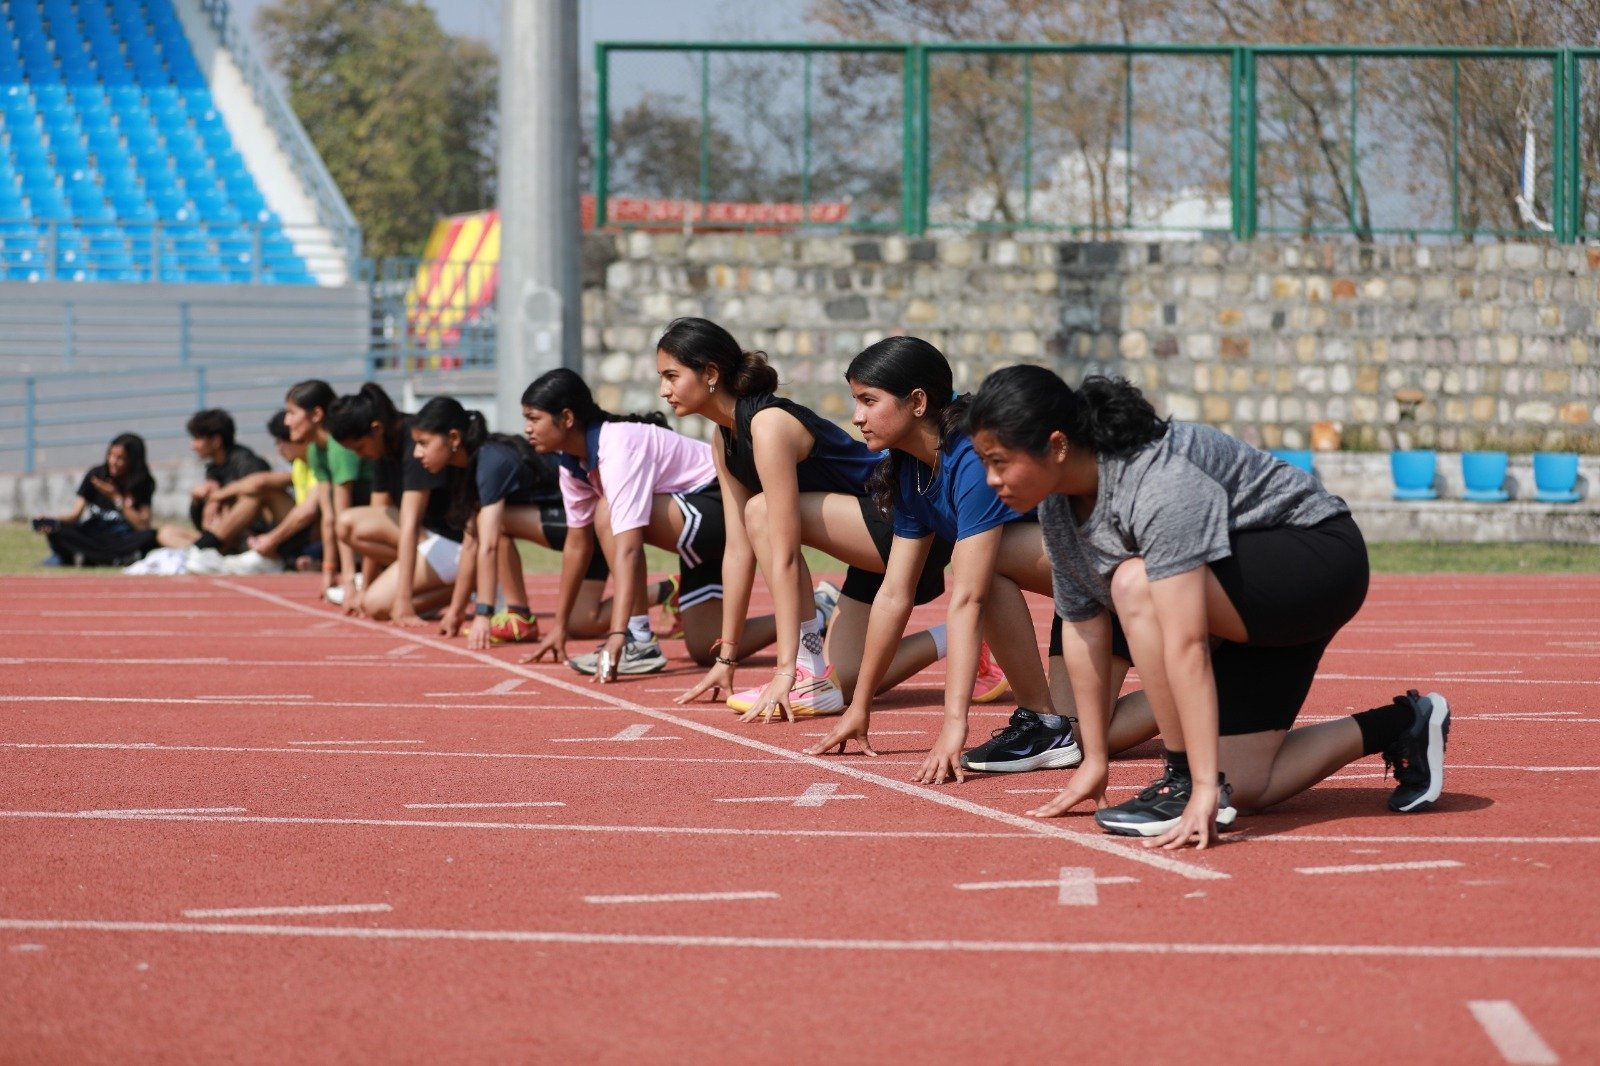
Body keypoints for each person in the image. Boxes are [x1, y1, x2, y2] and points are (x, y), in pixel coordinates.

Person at [964, 365, 1451, 848]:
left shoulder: (1156, 480)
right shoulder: (1056, 506)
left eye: (1000, 461)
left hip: (1316, 559)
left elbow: (1187, 641)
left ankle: (1180, 781)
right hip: (1235, 589)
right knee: (1249, 786)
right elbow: (1083, 627)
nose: (990, 479)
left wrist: (1196, 786)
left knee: (1136, 584)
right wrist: (1095, 760)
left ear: (1057, 445)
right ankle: (1404, 723)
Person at [655, 316, 1007, 720]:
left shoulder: (768, 425)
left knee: (762, 511)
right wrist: (728, 658)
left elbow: (784, 550)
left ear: (711, 373)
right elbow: (737, 550)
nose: (664, 390)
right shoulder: (724, 439)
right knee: (845, 686)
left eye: (671, 375)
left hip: (895, 523)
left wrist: (791, 667)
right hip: (863, 539)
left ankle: (808, 665)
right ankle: (960, 642)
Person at [804, 338, 1072, 785]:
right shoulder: (909, 467)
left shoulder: (971, 455)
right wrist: (860, 704)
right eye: (856, 401)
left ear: (918, 402)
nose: (856, 417)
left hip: (1115, 578)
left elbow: (969, 598)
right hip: (1077, 603)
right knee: (1082, 730)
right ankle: (1045, 723)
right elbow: (893, 594)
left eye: (869, 401)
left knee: (990, 563)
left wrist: (954, 726)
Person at [518, 368, 778, 681]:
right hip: (694, 523)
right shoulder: (571, 463)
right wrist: (559, 626)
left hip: (722, 504)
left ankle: (638, 639)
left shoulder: (617, 447)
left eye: (534, 418)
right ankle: (818, 612)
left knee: (606, 511)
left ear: (567, 418)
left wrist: (619, 632)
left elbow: (628, 549)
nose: (527, 429)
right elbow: (577, 544)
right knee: (705, 647)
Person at [408, 396, 618, 648]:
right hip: (580, 535)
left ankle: (518, 614)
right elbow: (470, 544)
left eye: (423, 443)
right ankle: (671, 589)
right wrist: (455, 610)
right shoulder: (462, 468)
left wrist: (483, 613)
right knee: (582, 624)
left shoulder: (491, 460)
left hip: (592, 527)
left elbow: (487, 544)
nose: (416, 453)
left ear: (453, 438)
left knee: (496, 525)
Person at [326, 384, 464, 624]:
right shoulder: (381, 449)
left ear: (376, 429)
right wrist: (364, 587)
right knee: (347, 525)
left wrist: (404, 600)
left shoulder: (415, 442)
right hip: (425, 539)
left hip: (452, 541)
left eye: (359, 447)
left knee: (377, 606)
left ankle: (468, 582)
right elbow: (376, 516)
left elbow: (410, 525)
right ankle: (442, 586)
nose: (359, 455)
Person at [278, 380, 372, 606]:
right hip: (358, 525)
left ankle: (365, 577)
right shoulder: (314, 451)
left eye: (291, 413)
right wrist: (329, 571)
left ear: (317, 414)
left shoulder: (340, 447)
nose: (286, 421)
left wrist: (347, 580)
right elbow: (329, 518)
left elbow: (343, 517)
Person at [162, 408, 276, 565]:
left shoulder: (247, 462)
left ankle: (201, 552)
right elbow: (202, 523)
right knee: (166, 533)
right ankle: (202, 552)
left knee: (237, 499)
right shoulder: (213, 468)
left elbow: (256, 502)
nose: (192, 445)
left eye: (197, 438)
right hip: (219, 535)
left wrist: (218, 496)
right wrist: (196, 501)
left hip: (248, 534)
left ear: (216, 441)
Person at [214, 411, 321, 574]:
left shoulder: (320, 463)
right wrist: (217, 496)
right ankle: (209, 547)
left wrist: (271, 539)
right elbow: (261, 480)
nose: (279, 449)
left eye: (282, 441)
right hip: (303, 533)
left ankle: (278, 555)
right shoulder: (299, 465)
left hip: (318, 533)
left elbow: (309, 511)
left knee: (267, 494)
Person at [35, 432, 158, 567]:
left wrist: (116, 497)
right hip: (93, 537)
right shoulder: (96, 475)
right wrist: (51, 521)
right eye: (110, 455)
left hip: (120, 540)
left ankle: (86, 558)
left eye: (120, 458)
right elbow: (75, 516)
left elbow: (143, 526)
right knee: (58, 529)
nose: (113, 461)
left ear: (133, 460)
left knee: (150, 535)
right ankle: (105, 559)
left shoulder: (143, 482)